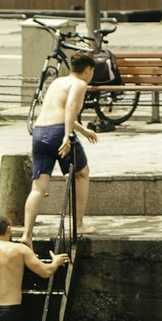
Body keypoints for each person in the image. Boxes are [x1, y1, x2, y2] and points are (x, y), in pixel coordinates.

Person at [22, 52, 100, 245]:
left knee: (38, 187)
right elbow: (70, 109)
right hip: (59, 132)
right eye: (92, 72)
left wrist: (82, 130)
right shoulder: (79, 84)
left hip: (40, 132)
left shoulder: (57, 82)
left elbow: (57, 110)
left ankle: (26, 234)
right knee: (82, 174)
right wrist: (67, 135)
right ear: (88, 70)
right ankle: (78, 224)